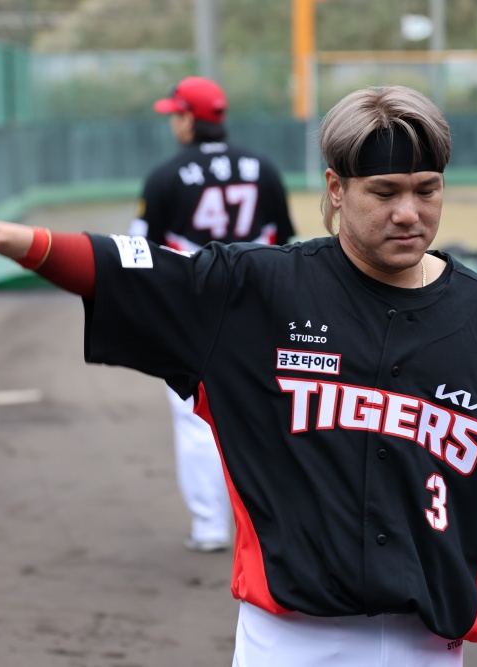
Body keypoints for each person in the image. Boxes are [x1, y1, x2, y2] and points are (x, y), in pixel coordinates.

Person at [0, 84, 477, 666]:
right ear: (336, 190)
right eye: (385, 192)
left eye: (426, 189)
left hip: (429, 643)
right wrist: (5, 238)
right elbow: (125, 267)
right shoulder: (259, 290)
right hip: (291, 639)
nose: (409, 211)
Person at [129, 76, 296, 552]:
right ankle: (267, 525)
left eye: (175, 115)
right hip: (254, 305)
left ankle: (209, 526)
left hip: (190, 309)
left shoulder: (166, 175)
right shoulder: (263, 167)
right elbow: (283, 241)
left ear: (189, 120)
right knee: (260, 416)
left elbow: (140, 251)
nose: (172, 124)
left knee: (194, 419)